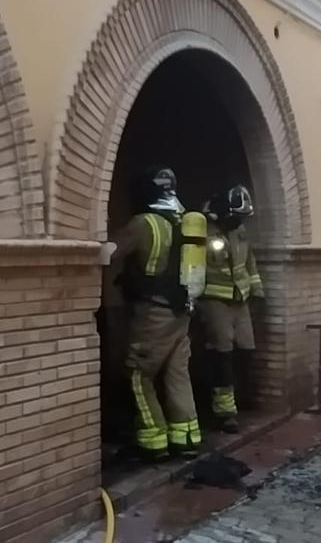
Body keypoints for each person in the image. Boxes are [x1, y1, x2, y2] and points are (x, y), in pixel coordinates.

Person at [108, 166, 203, 460]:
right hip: (182, 312)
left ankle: (154, 440)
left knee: (139, 374)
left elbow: (108, 252)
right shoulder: (182, 221)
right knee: (177, 372)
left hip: (154, 313)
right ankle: (187, 436)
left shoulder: (143, 223)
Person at [198, 183, 263, 434]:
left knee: (246, 349)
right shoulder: (203, 232)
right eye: (236, 217)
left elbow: (250, 263)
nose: (239, 222)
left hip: (240, 300)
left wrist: (258, 292)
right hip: (214, 301)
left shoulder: (240, 231)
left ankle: (240, 395)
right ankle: (225, 412)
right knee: (221, 354)